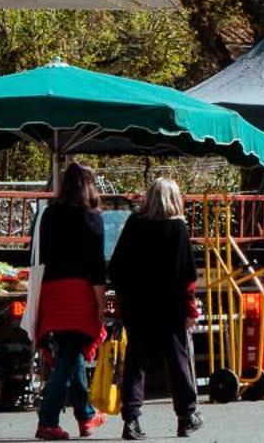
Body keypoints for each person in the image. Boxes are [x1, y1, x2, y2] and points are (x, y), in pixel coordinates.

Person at [108, 178, 203, 440]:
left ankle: (132, 419)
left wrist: (123, 298)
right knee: (177, 360)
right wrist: (190, 310)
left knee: (135, 362)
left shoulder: (134, 225)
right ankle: (186, 415)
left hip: (137, 306)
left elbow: (116, 268)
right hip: (170, 307)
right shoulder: (178, 229)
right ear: (174, 199)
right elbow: (188, 276)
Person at [33, 162, 107, 440]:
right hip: (79, 292)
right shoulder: (92, 218)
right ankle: (48, 419)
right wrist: (101, 303)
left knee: (70, 351)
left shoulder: (49, 214)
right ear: (90, 185)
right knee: (68, 356)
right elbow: (97, 267)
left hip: (52, 290)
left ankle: (86, 415)